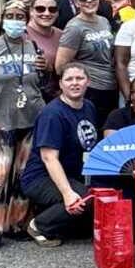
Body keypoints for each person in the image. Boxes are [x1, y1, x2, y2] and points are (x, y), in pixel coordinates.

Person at [0, 0, 47, 255]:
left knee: (22, 176)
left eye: (20, 15)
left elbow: (37, 81)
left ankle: (16, 223)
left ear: (26, 20)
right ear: (2, 18)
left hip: (31, 119)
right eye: (10, 15)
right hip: (0, 121)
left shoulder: (31, 45)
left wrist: (43, 69)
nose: (15, 20)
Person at [21, 64, 101, 246]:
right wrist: (67, 193)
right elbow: (49, 158)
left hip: (73, 174)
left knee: (100, 197)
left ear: (88, 82)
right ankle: (39, 225)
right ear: (61, 84)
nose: (75, 83)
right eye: (69, 79)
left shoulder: (89, 107)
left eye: (79, 78)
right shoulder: (53, 114)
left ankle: (64, 220)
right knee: (86, 199)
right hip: (41, 178)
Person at [56, 0, 119, 125]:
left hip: (111, 87)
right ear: (76, 2)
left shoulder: (103, 21)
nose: (89, 0)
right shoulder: (74, 28)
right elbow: (60, 66)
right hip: (91, 90)